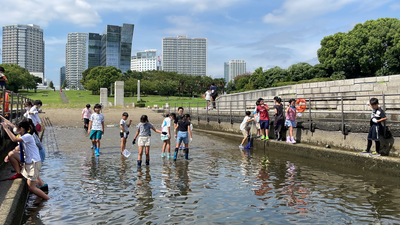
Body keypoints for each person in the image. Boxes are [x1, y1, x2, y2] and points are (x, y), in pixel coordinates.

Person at [1, 119, 50, 200]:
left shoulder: (27, 136)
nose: (15, 129)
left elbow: (14, 139)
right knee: (30, 186)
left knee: (31, 188)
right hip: (30, 162)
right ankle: (41, 198)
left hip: (33, 163)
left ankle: (48, 199)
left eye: (17, 127)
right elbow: (18, 146)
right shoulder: (23, 135)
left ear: (22, 128)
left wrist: (6, 128)